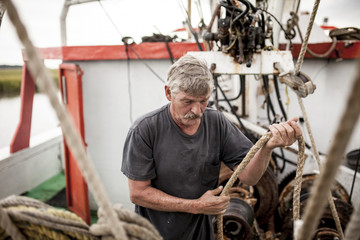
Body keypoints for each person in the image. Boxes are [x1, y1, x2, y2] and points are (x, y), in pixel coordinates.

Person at [121, 54, 302, 240]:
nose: (197, 111)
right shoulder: (144, 130)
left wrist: (267, 148)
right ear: (168, 93)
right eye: (188, 101)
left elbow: (249, 177)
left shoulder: (217, 122)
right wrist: (196, 206)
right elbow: (138, 193)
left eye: (203, 101)